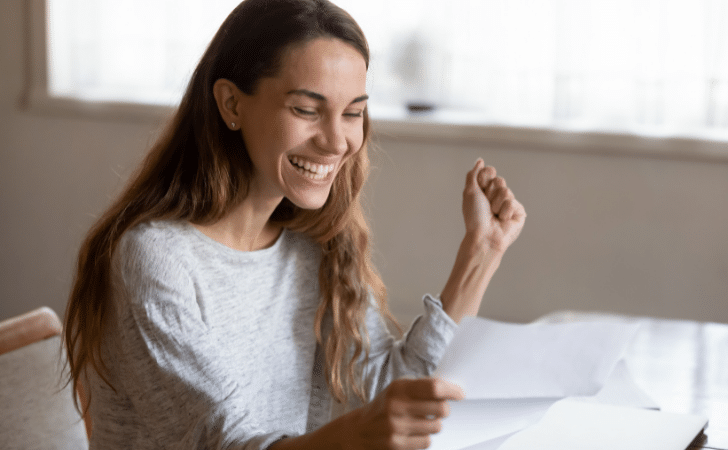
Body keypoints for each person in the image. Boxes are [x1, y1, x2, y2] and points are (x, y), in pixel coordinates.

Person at [63, 0, 526, 449]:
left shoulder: (313, 247)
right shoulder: (156, 257)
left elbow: (395, 389)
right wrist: (351, 437)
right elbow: (222, 442)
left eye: (353, 113)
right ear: (231, 104)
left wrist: (481, 254)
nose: (336, 141)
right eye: (306, 110)